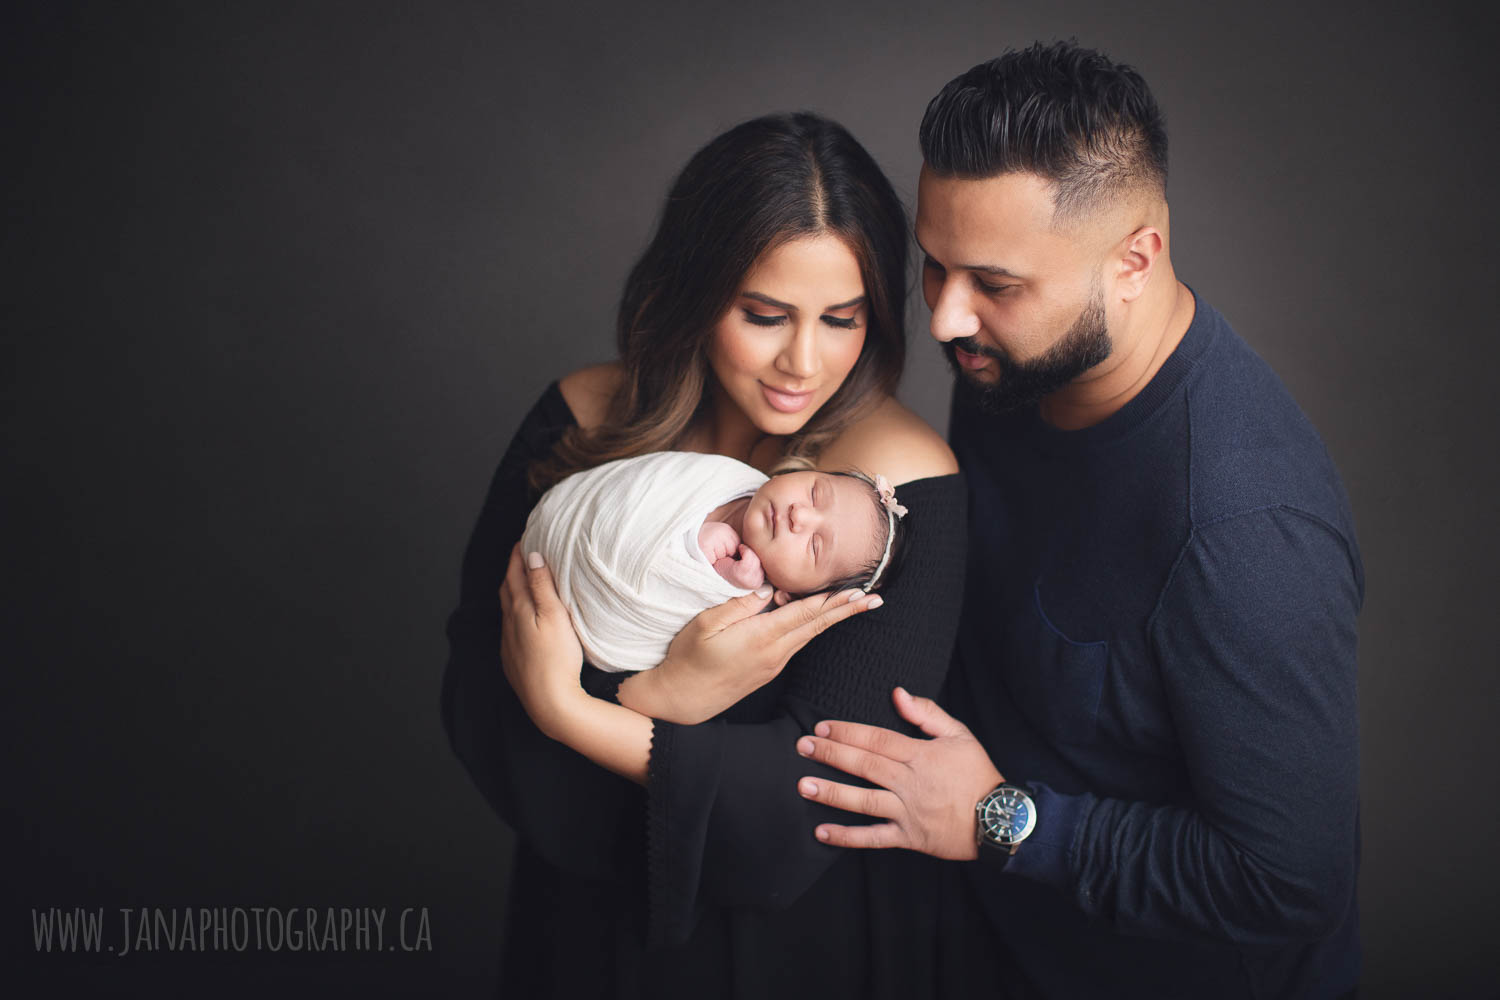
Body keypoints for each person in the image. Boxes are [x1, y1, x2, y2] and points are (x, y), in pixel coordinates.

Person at [793, 42, 1363, 999]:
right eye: (934, 267)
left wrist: (999, 819)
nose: (945, 320)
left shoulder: (1247, 532)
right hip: (990, 940)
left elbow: (1287, 883)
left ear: (1134, 260)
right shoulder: (1015, 363)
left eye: (995, 284)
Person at [441, 111, 964, 998]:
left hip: (796, 950)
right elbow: (475, 691)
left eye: (842, 319)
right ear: (693, 290)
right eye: (765, 315)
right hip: (581, 922)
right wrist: (653, 717)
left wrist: (590, 710)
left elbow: (809, 818)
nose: (804, 361)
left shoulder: (901, 492)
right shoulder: (585, 416)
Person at [519, 450, 910, 673]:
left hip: (585, 610)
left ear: (789, 597)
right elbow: (645, 481)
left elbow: (671, 609)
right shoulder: (728, 477)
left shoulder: (747, 601)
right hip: (567, 514)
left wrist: (710, 565)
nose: (799, 516)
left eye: (814, 546)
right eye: (815, 492)